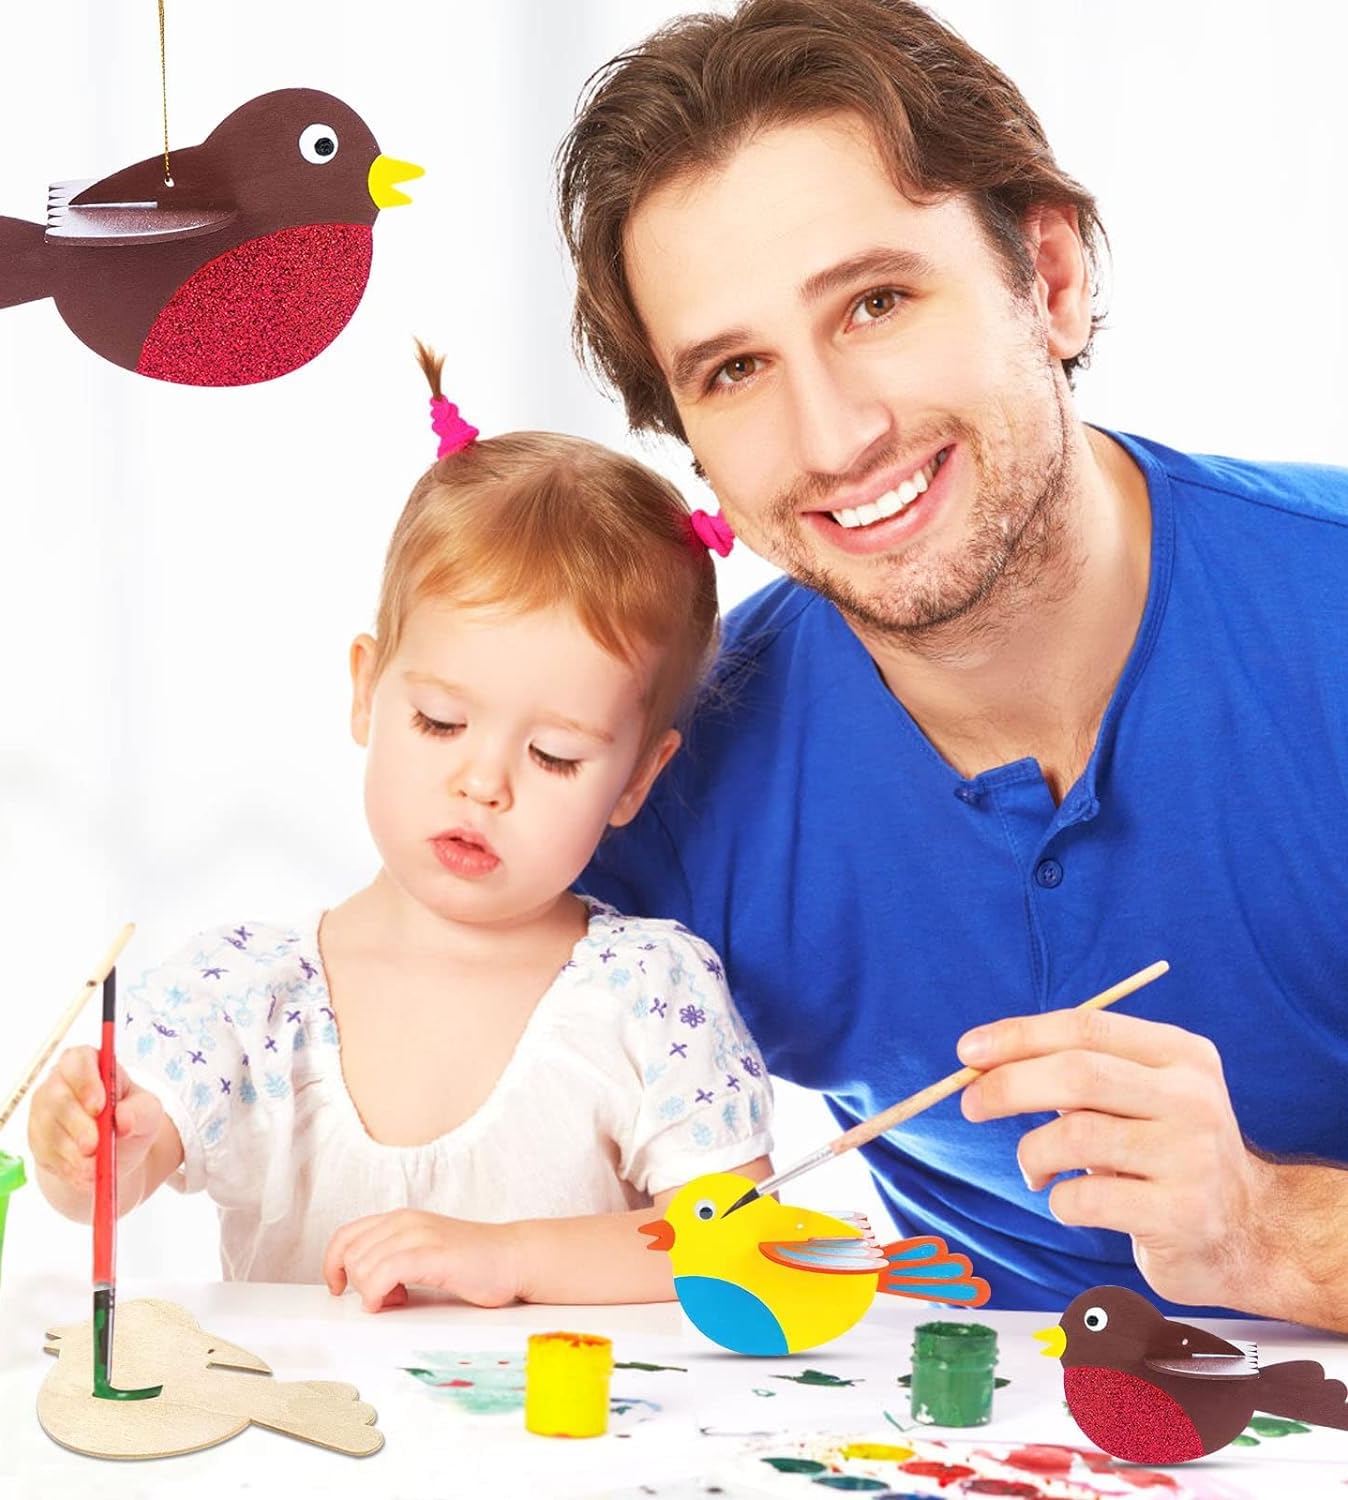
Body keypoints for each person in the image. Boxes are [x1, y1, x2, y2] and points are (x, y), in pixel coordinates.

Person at [560, 0, 1348, 1326]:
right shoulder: (667, 773)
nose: (833, 435)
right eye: (736, 367)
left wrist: (1272, 1234)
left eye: (876, 302)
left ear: (1047, 276)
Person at [26, 345, 773, 1306]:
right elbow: (110, 1188)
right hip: (294, 1451)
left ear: (636, 778)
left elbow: (736, 1247)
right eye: (441, 722)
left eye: (554, 755)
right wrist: (80, 1146)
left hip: (569, 1450)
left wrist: (509, 1258)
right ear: (366, 694)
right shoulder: (248, 994)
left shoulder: (649, 993)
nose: (484, 783)